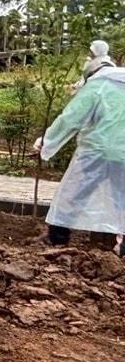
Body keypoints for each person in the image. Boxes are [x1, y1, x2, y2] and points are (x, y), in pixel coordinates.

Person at [36, 56, 125, 256]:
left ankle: (57, 239)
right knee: (122, 200)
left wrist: (47, 144)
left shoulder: (99, 85)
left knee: (73, 194)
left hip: (96, 153)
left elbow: (70, 119)